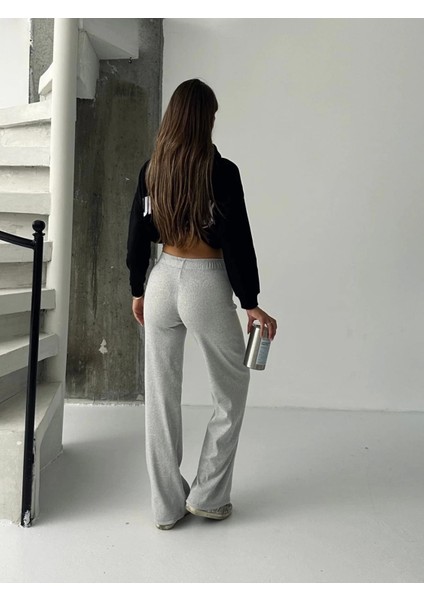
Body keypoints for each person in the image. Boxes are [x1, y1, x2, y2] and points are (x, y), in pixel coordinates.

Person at [126, 78, 277, 530]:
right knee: (231, 389)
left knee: (160, 399)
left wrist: (138, 289)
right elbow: (238, 241)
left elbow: (137, 235)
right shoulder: (222, 171)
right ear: (203, 119)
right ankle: (208, 496)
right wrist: (251, 302)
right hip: (205, 285)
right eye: (212, 115)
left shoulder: (152, 170)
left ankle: (166, 507)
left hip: (161, 281)